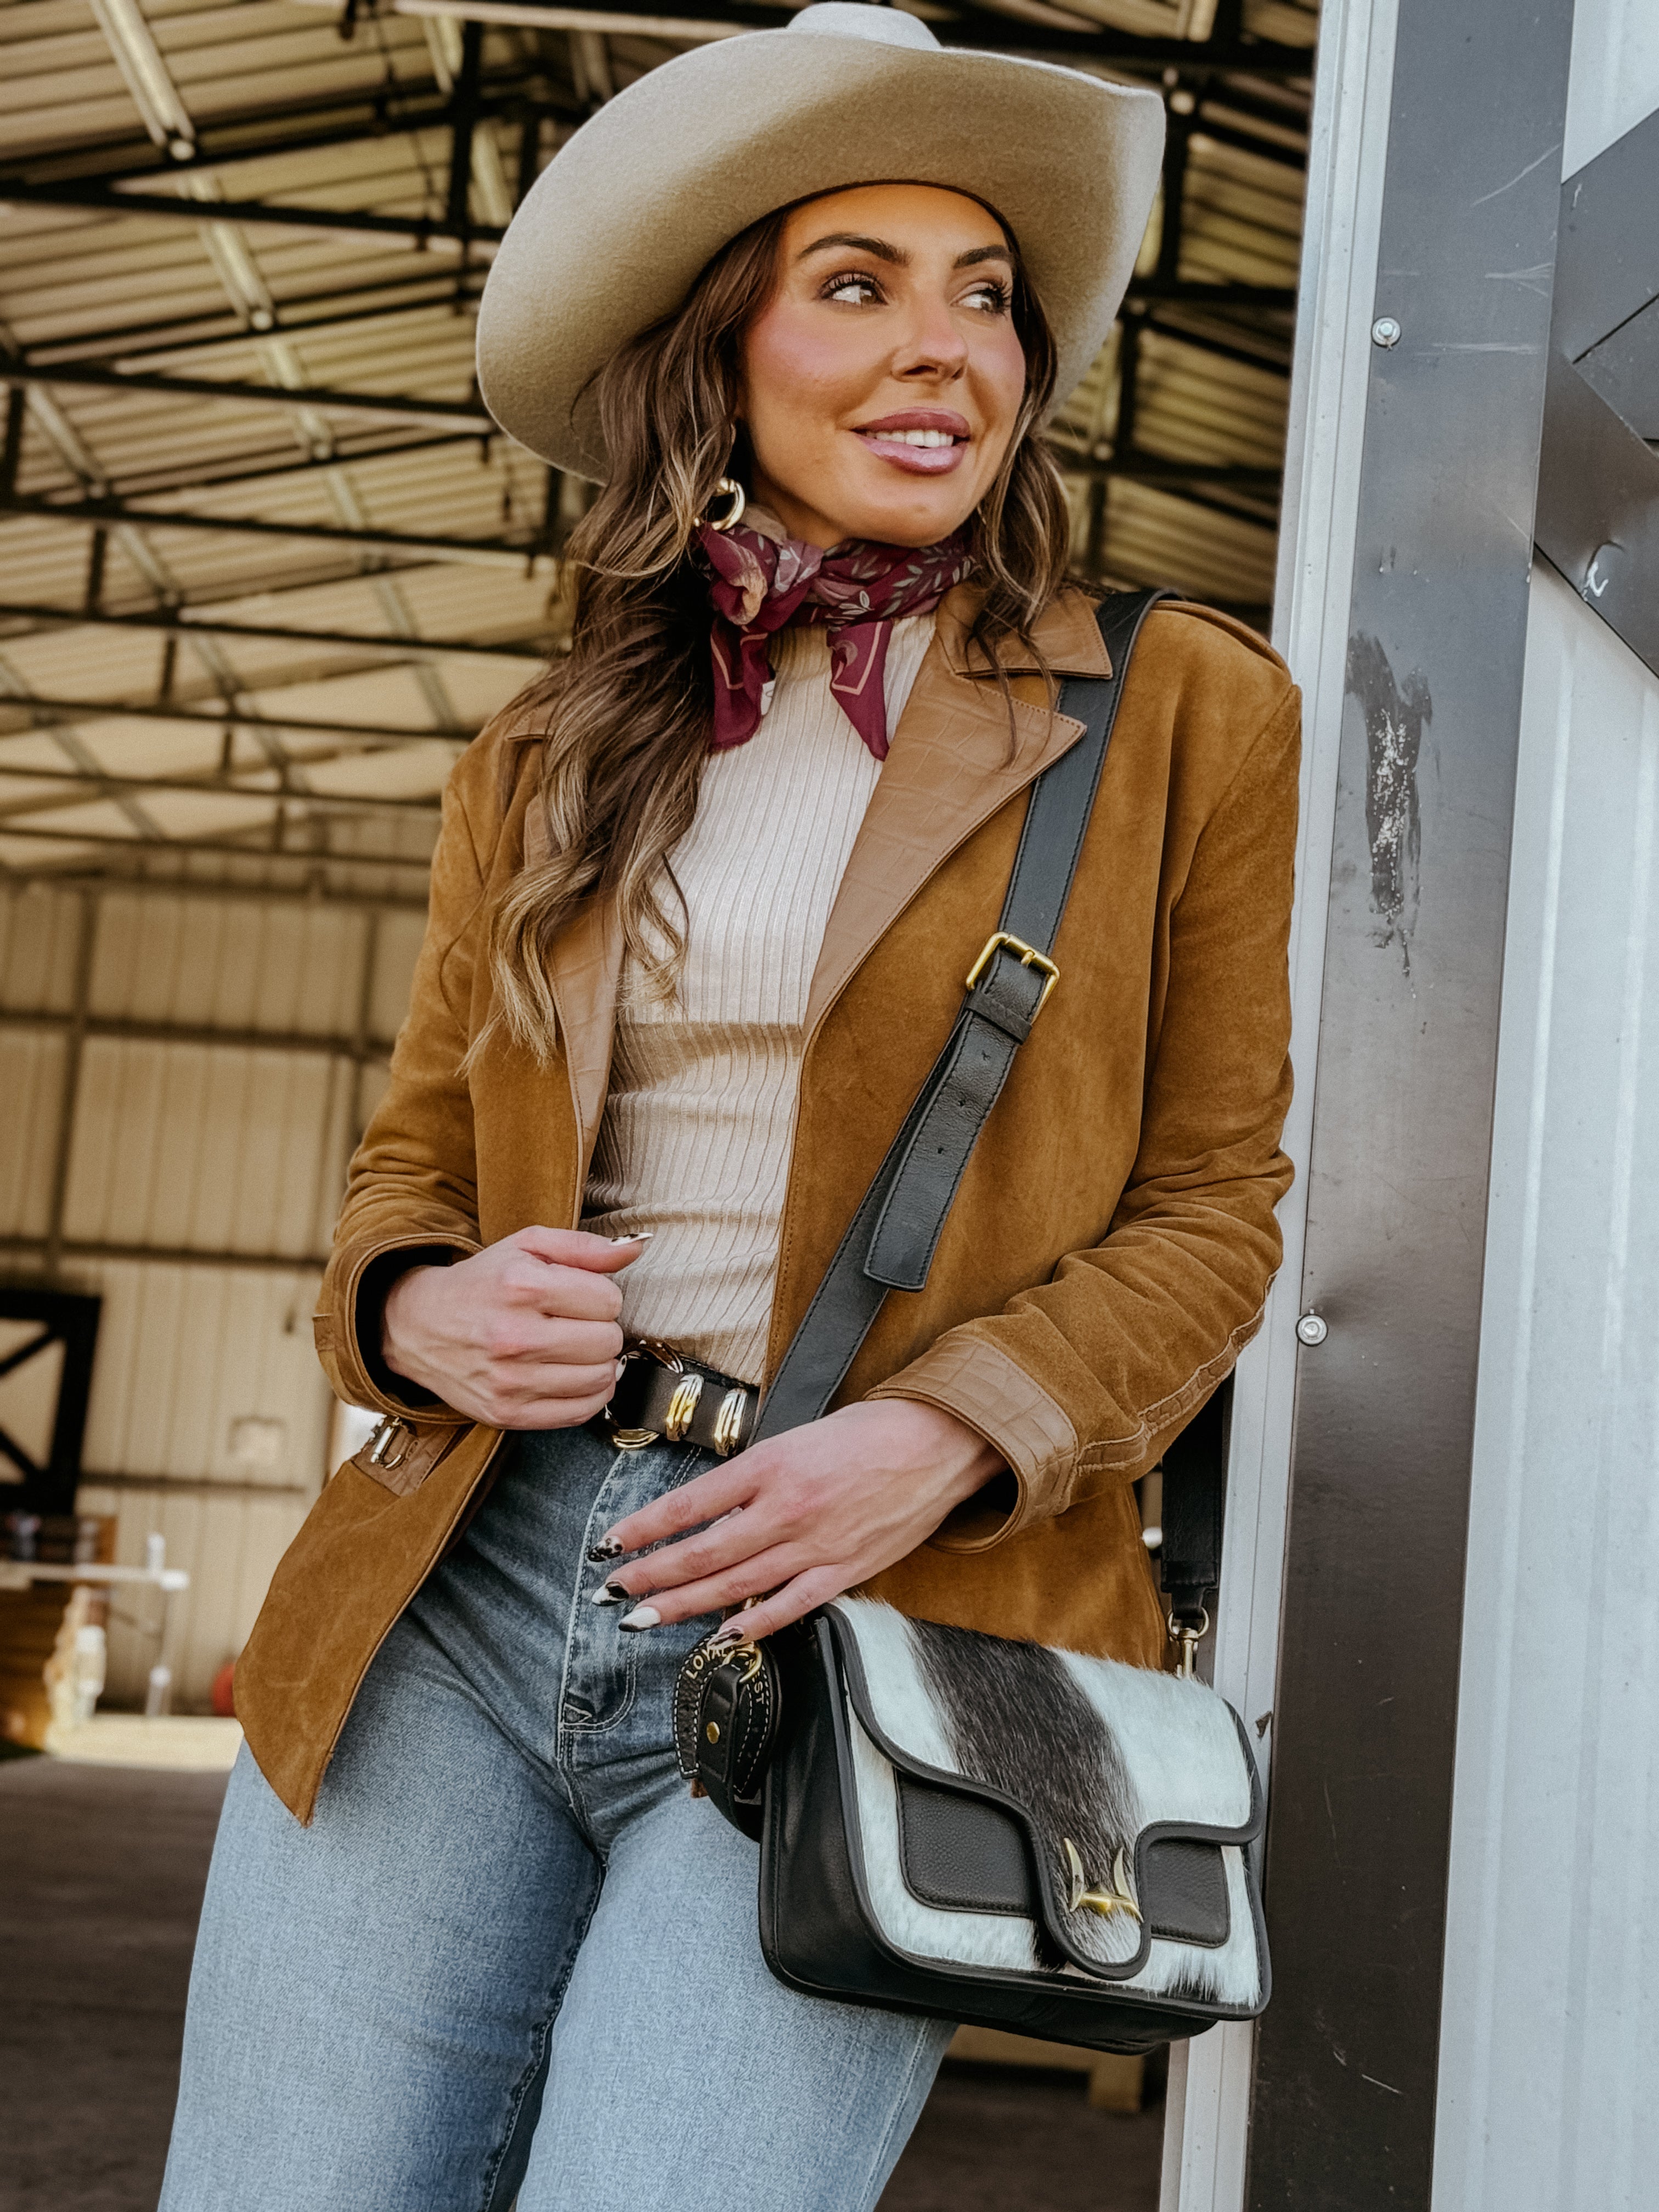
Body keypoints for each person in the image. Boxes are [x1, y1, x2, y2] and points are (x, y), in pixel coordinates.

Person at [160, 9, 1299, 2208]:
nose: (945, 347)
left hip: (861, 1605)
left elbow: (1216, 1212)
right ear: (725, 352)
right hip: (459, 1589)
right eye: (856, 283)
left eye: (987, 296)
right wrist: (418, 1308)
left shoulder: (1173, 706)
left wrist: (949, 1427)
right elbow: (406, 1165)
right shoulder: (547, 751)